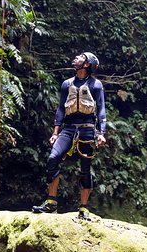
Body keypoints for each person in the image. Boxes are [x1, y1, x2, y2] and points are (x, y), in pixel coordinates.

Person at [32, 52, 107, 220]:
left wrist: (101, 133)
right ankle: (51, 203)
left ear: (87, 64)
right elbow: (60, 108)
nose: (77, 58)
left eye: (81, 56)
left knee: (85, 168)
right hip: (68, 128)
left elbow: (101, 110)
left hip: (87, 128)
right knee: (53, 158)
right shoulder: (67, 84)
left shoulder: (96, 85)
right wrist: (55, 132)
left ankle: (83, 208)